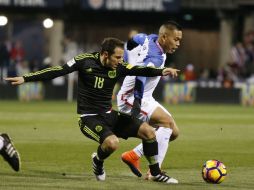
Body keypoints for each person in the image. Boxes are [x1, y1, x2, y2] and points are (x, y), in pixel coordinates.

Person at [6, 37, 180, 184]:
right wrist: (25, 78)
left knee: (149, 132)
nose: (121, 61)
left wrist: (162, 70)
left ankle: (156, 173)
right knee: (112, 143)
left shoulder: (118, 67)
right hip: (89, 118)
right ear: (105, 55)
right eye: (117, 57)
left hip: (109, 115)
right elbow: (58, 71)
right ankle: (98, 161)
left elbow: (139, 69)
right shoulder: (84, 61)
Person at [117, 21, 182, 179]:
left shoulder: (149, 38)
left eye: (180, 40)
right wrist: (137, 103)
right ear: (164, 37)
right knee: (166, 123)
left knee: (173, 132)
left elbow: (134, 40)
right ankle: (155, 172)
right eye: (176, 39)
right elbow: (140, 75)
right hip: (130, 98)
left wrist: (129, 53)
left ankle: (134, 155)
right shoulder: (156, 57)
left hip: (145, 97)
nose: (178, 43)